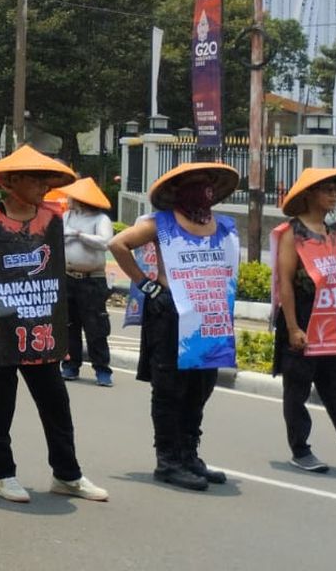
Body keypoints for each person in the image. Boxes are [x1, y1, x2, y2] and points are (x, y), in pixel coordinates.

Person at [0, 145, 108, 505]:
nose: (44, 185)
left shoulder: (52, 218)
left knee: (55, 401)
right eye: (35, 178)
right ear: (11, 181)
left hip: (42, 325)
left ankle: (67, 474)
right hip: (1, 327)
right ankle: (1, 473)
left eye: (46, 179)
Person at [109, 162, 239, 492]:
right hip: (172, 313)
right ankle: (168, 461)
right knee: (170, 389)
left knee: (202, 384)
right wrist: (147, 285)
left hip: (209, 316)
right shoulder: (161, 223)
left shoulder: (222, 226)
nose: (204, 189)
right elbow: (118, 245)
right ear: (179, 191)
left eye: (208, 183)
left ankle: (189, 454)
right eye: (196, 184)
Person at [270, 168, 336, 475]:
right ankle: (300, 450)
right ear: (309, 195)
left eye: (335, 190)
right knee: (297, 391)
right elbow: (285, 283)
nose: (333, 195)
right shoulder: (292, 233)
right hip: (301, 319)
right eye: (327, 189)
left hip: (328, 325)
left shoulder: (331, 232)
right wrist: (292, 327)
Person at [58, 177, 115, 387]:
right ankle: (70, 365)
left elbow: (105, 243)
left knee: (96, 326)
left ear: (81, 199)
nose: (67, 199)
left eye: (71, 196)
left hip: (92, 279)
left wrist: (78, 235)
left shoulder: (101, 220)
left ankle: (102, 369)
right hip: (68, 276)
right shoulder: (66, 216)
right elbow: (56, 236)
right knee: (68, 324)